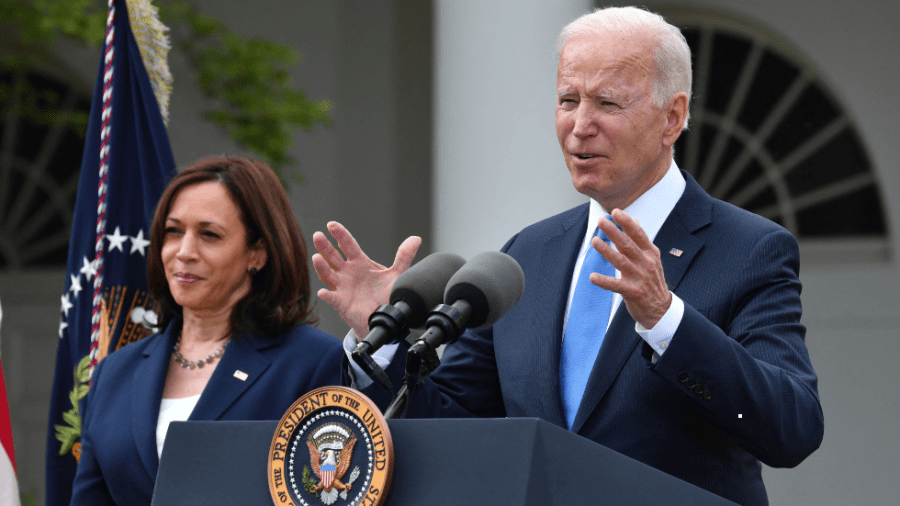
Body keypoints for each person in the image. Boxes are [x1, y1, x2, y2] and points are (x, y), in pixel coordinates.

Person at [312, 6, 823, 506]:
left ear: (673, 116)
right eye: (567, 99)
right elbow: (451, 423)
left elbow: (792, 428)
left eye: (606, 103)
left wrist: (666, 320)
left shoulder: (750, 249)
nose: (580, 125)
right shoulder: (522, 260)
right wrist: (380, 338)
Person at [70, 157, 344, 505]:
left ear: (257, 254)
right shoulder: (115, 372)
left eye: (209, 235)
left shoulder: (312, 362)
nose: (184, 252)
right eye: (173, 231)